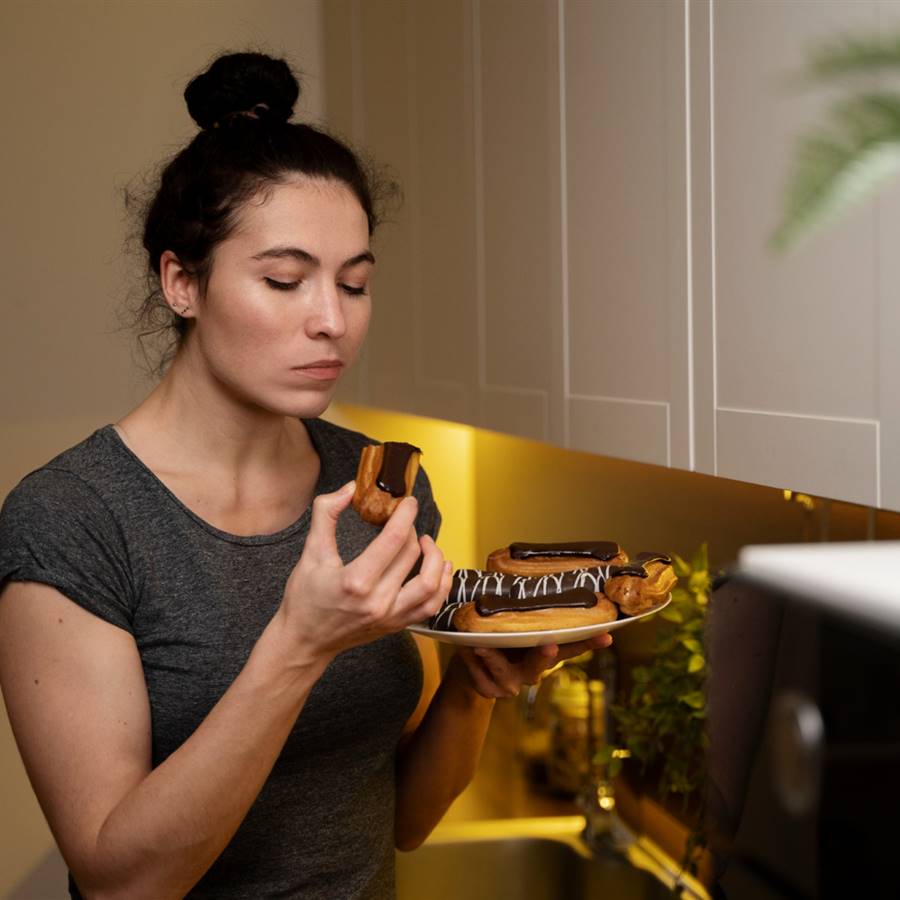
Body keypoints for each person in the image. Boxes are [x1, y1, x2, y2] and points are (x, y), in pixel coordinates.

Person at [0, 52, 611, 899]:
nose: (332, 321)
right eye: (285, 280)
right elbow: (119, 884)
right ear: (182, 281)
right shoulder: (73, 518)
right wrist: (298, 644)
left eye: (354, 285)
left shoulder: (382, 482)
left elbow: (405, 820)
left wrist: (475, 690)